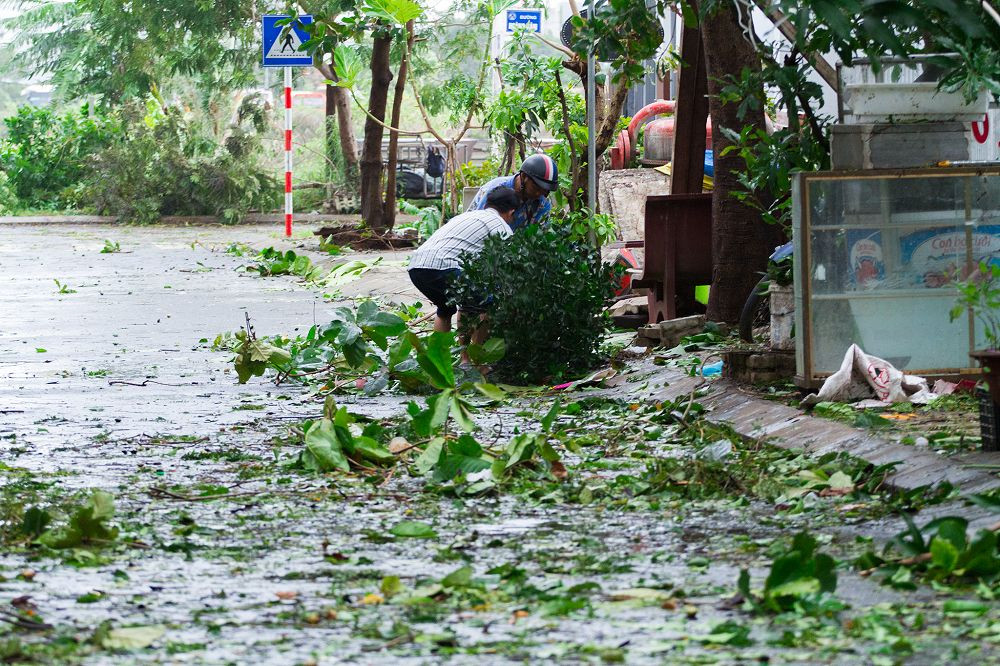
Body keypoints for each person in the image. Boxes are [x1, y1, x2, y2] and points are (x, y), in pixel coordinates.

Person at [408, 187, 519, 355]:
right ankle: (474, 361)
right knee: (487, 305)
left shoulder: (467, 216)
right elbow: (508, 266)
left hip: (416, 266)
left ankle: (438, 363)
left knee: (446, 309)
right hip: (444, 266)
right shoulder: (499, 224)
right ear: (511, 212)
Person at [469, 154, 558, 231]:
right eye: (536, 187)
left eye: (545, 191)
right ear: (523, 177)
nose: (539, 194)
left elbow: (540, 235)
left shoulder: (543, 203)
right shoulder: (495, 190)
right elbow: (478, 225)